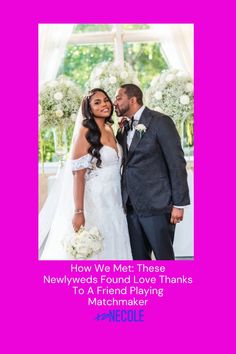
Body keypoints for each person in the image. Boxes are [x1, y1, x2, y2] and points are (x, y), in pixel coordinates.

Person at [41, 88, 132, 260]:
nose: (104, 104)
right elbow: (78, 175)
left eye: (105, 100)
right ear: (89, 109)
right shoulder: (85, 132)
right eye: (97, 102)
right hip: (95, 201)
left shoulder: (109, 128)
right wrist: (79, 211)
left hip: (115, 199)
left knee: (115, 239)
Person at [114, 84, 190, 260]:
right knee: (139, 260)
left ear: (132, 100)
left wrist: (179, 204)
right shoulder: (123, 128)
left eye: (118, 98)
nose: (114, 103)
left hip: (158, 205)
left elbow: (176, 163)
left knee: (164, 259)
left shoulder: (160, 121)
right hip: (131, 207)